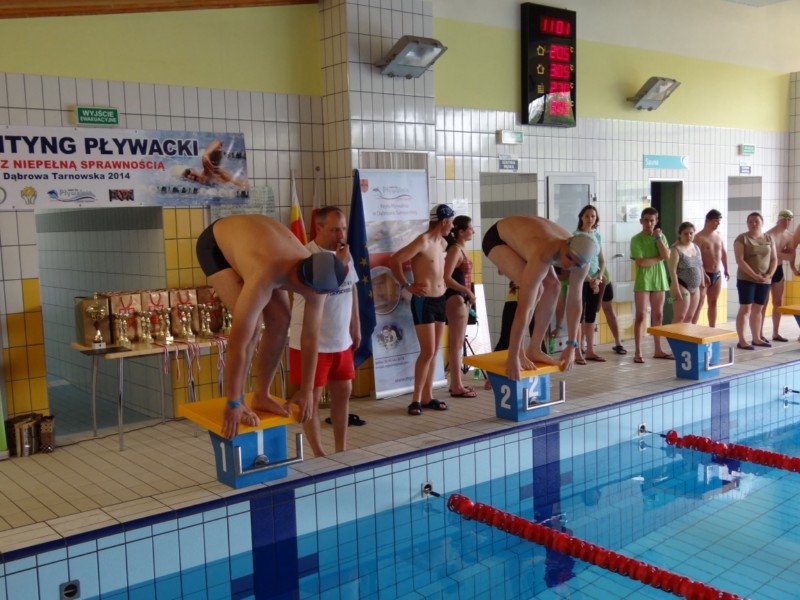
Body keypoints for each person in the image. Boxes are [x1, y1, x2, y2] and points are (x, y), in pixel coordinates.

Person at [195, 214, 348, 439]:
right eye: (315, 293)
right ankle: (241, 400)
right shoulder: (266, 273)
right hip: (216, 245)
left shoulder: (319, 281)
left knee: (281, 320)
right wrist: (233, 401)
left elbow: (311, 336)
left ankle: (261, 395)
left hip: (258, 242)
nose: (318, 297)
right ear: (300, 282)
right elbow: (238, 342)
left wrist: (306, 390)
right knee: (253, 325)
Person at [482, 215, 598, 380]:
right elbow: (523, 308)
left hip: (525, 239)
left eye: (576, 264)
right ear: (566, 244)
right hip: (498, 238)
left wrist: (572, 345)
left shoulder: (582, 263)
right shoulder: (544, 251)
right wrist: (513, 356)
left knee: (554, 286)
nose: (569, 265)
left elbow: (575, 302)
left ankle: (535, 349)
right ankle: (519, 352)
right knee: (536, 291)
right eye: (569, 257)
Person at [288, 207, 360, 457]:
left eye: (343, 229)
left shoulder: (344, 254)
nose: (341, 235)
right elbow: (321, 292)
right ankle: (319, 453)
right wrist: (339, 264)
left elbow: (352, 288)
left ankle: (341, 449)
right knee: (313, 398)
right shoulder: (306, 256)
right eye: (334, 230)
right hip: (311, 342)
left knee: (343, 393)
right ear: (318, 228)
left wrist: (356, 325)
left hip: (341, 339)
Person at [390, 204, 455, 416]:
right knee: (427, 351)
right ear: (443, 221)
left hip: (440, 299)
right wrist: (405, 285)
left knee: (434, 351)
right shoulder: (423, 241)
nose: (452, 226)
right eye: (451, 222)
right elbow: (395, 260)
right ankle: (415, 399)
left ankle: (428, 396)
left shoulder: (443, 243)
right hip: (424, 301)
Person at [630, 207, 671, 363]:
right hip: (643, 280)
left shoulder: (661, 236)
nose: (648, 224)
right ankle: (638, 351)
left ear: (656, 221)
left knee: (658, 315)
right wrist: (659, 258)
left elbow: (667, 255)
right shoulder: (636, 239)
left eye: (652, 221)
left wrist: (658, 238)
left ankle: (658, 349)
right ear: (641, 221)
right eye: (646, 220)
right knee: (641, 315)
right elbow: (641, 262)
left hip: (659, 279)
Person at [443, 215, 478, 398]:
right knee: (456, 344)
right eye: (471, 228)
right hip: (455, 298)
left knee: (457, 343)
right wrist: (467, 291)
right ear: (462, 232)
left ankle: (456, 383)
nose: (474, 231)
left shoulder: (461, 249)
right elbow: (446, 277)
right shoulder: (455, 250)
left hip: (461, 298)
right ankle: (456, 385)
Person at [734, 211, 777, 350]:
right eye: (750, 222)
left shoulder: (769, 238)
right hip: (746, 278)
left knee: (758, 308)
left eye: (756, 221)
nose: (753, 224)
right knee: (746, 308)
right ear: (747, 224)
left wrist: (769, 275)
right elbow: (740, 260)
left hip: (764, 279)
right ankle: (742, 340)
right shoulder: (742, 238)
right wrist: (754, 275)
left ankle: (756, 338)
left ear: (762, 223)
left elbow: (774, 259)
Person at [573, 205, 606, 362]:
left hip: (595, 279)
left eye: (593, 216)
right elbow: (575, 261)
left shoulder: (597, 236)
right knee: (579, 316)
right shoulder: (576, 236)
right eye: (587, 216)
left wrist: (598, 278)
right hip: (581, 279)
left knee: (591, 315)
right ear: (581, 217)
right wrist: (589, 280)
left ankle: (590, 350)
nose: (590, 219)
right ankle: (578, 351)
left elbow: (602, 260)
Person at [692, 209, 729, 327]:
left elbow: (723, 253)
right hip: (703, 274)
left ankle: (712, 328)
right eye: (716, 221)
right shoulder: (699, 237)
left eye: (719, 221)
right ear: (707, 220)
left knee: (713, 302)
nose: (718, 223)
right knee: (699, 302)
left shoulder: (718, 235)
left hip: (717, 274)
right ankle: (691, 328)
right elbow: (696, 260)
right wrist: (703, 274)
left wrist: (726, 269)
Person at [761, 209, 794, 342]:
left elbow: (791, 256)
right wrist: (782, 254)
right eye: (784, 219)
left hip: (778, 270)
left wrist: (776, 253)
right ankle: (759, 333)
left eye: (789, 220)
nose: (787, 222)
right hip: (766, 270)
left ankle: (775, 333)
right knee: (763, 303)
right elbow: (764, 255)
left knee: (777, 303)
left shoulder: (789, 236)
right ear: (778, 220)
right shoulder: (768, 235)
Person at [667, 221, 705, 323]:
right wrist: (675, 288)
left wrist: (702, 283)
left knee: (690, 317)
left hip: (695, 287)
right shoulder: (675, 249)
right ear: (680, 234)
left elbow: (700, 266)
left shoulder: (696, 247)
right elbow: (672, 271)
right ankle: (673, 334)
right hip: (681, 285)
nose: (689, 236)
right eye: (685, 233)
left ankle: (685, 335)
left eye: (691, 233)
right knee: (680, 317)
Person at [183, 139, 247, 189]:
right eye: (187, 177)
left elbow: (205, 158)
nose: (189, 176)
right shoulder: (208, 176)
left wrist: (212, 167)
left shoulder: (208, 173)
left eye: (188, 172)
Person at [599, 266, 627, 355]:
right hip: (588, 281)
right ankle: (582, 345)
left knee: (609, 310)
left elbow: (601, 262)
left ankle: (618, 342)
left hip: (604, 280)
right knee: (584, 314)